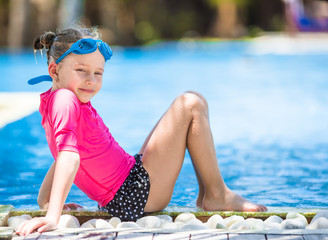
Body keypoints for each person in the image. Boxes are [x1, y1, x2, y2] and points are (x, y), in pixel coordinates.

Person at [16, 26, 267, 236]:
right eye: (81, 70)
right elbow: (69, 156)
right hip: (134, 195)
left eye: (98, 73)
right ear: (54, 70)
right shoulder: (66, 100)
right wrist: (53, 215)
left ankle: (207, 195)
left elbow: (63, 151)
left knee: (192, 104)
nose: (91, 80)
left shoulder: (54, 101)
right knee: (191, 104)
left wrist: (46, 200)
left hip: (129, 185)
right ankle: (217, 194)